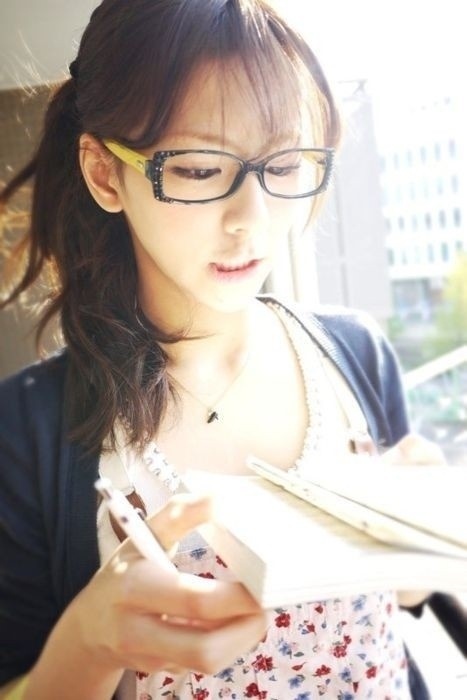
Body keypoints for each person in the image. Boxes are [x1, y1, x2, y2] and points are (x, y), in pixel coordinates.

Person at [0, 1, 442, 698]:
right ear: (105, 174)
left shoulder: (356, 354)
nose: (252, 222)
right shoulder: (25, 433)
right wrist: (89, 640)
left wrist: (424, 547)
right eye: (201, 171)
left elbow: (406, 603)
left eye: (286, 164)